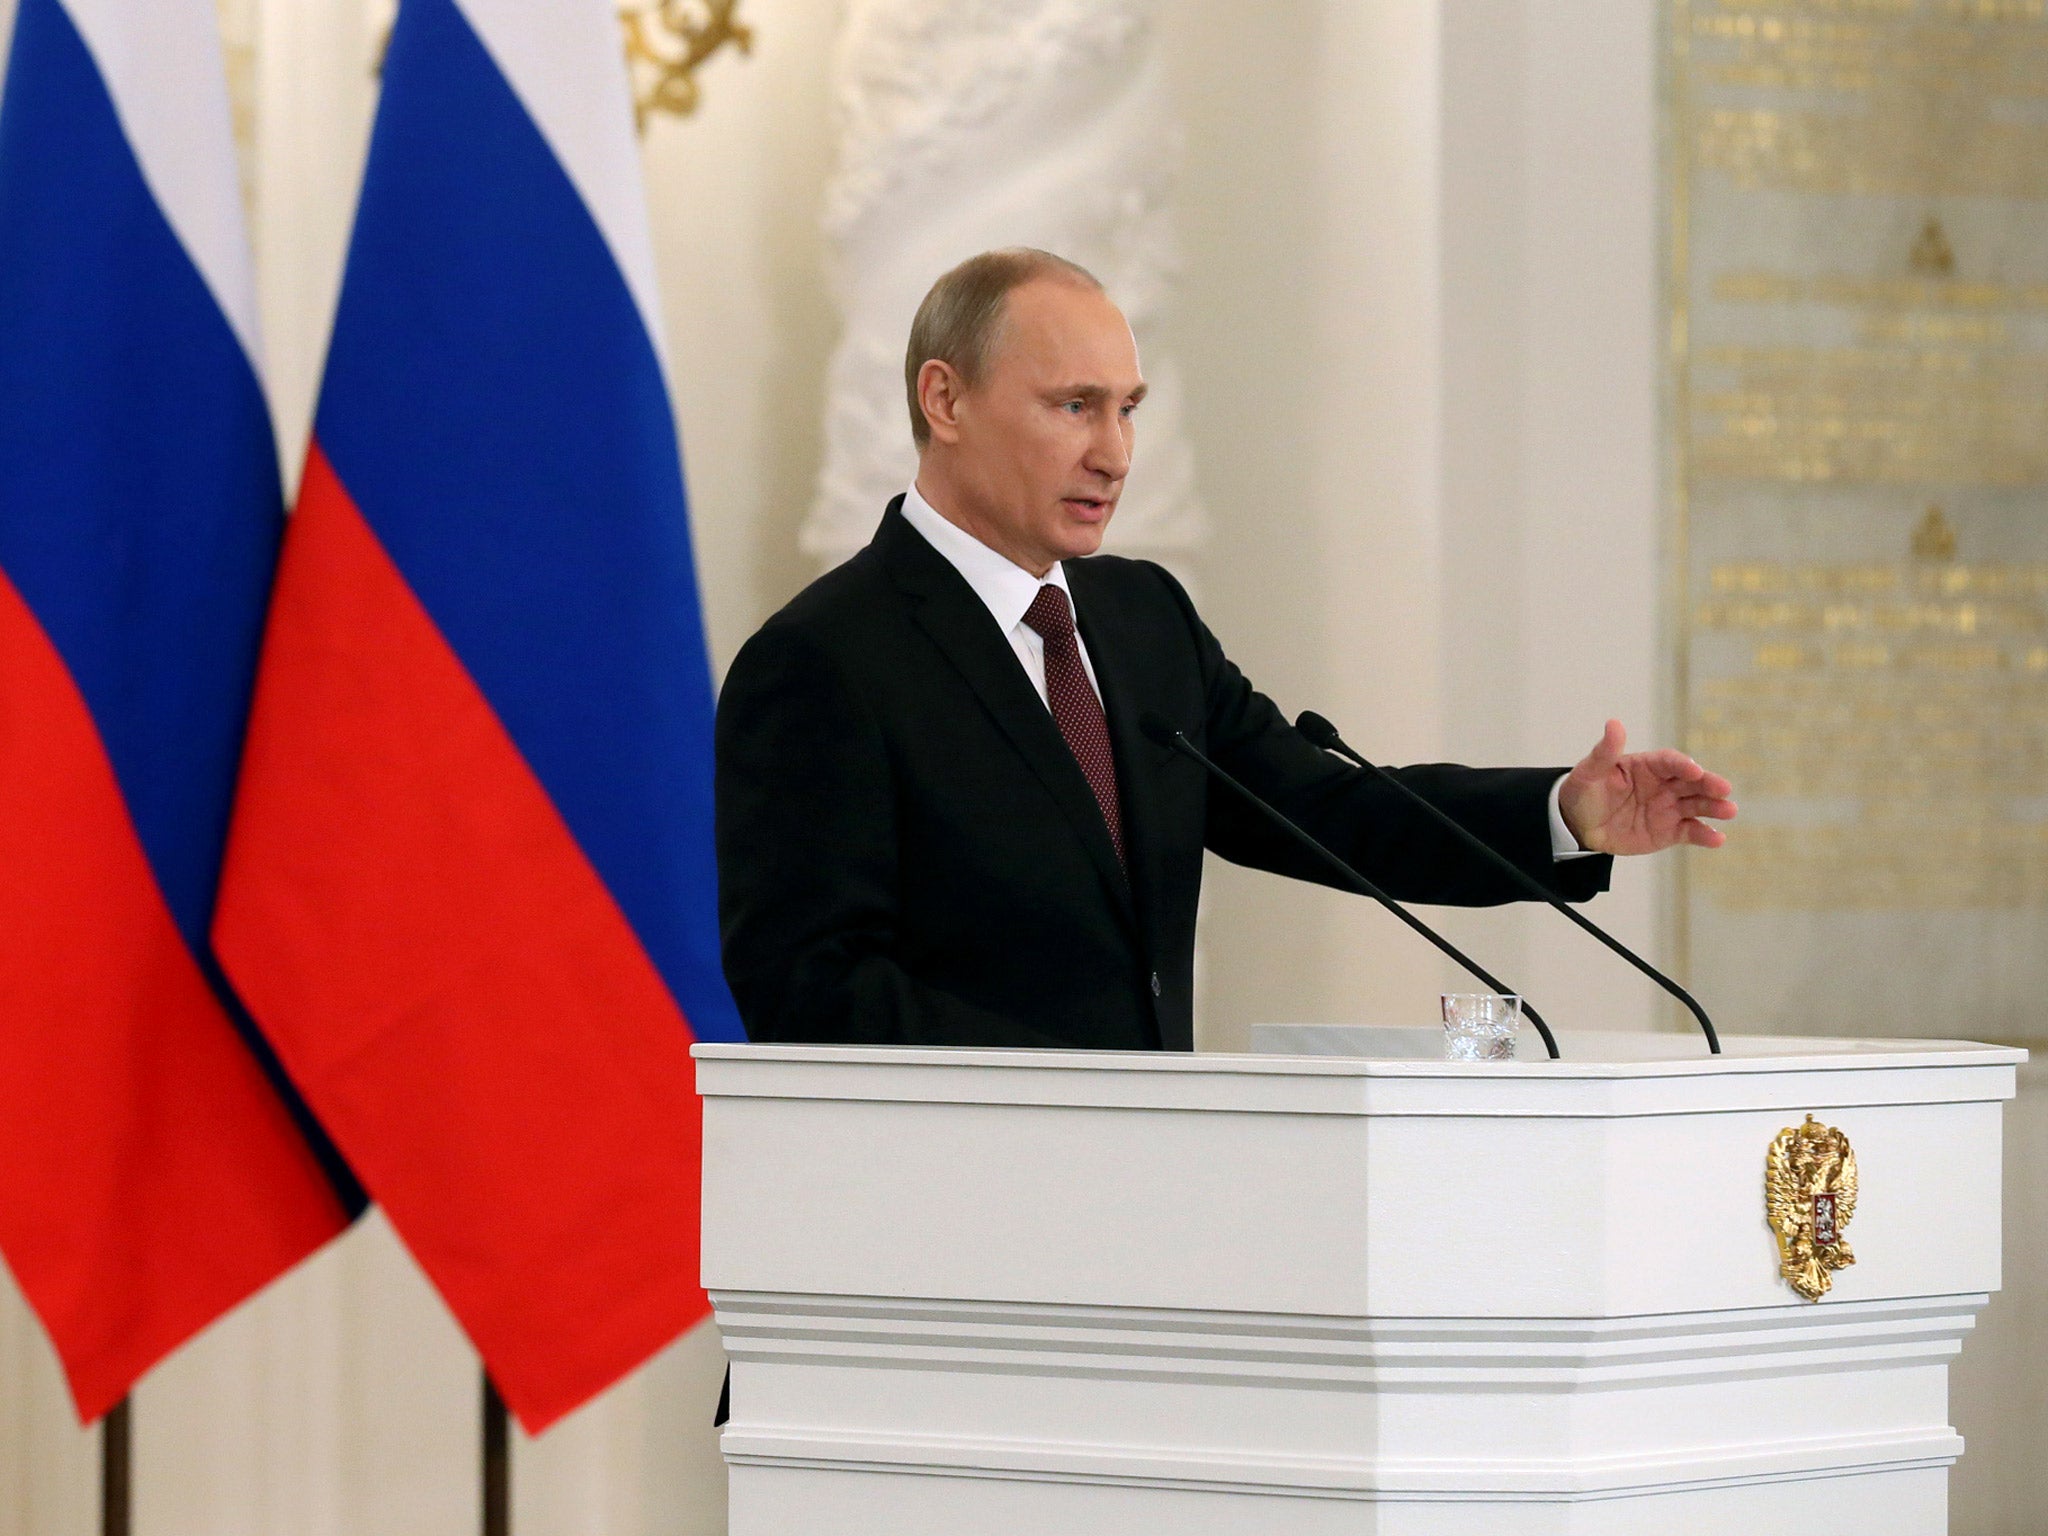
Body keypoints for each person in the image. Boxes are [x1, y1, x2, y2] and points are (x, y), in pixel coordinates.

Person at [714, 248, 1736, 1051]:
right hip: (948, 1220)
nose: (1112, 453)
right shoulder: (824, 661)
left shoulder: (1138, 618)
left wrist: (1560, 815)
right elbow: (809, 987)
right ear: (943, 401)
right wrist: (1075, 1096)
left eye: (1125, 410)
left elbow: (1322, 807)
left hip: (1157, 1202)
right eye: (1071, 406)